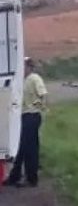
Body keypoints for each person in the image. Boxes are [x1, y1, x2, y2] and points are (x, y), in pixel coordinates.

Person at [5, 58, 47, 188]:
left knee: (30, 149)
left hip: (32, 116)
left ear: (29, 67)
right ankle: (15, 176)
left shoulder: (35, 78)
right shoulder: (21, 80)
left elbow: (43, 95)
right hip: (23, 116)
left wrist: (35, 107)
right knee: (20, 147)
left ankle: (31, 178)